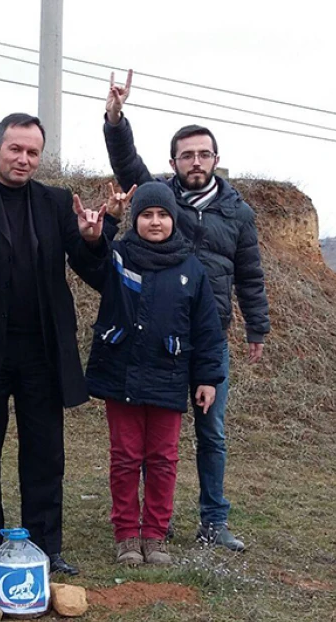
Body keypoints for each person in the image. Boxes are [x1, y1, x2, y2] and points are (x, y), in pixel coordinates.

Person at [103, 70, 270, 551]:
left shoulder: (238, 212)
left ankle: (213, 522)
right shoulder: (160, 198)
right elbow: (124, 159)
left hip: (210, 335)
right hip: (159, 340)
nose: (195, 162)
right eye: (186, 155)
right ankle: (156, 522)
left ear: (217, 159)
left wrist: (256, 327)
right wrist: (115, 117)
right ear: (172, 161)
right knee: (159, 442)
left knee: (211, 434)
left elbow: (250, 273)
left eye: (203, 154)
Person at [0, 113, 108, 577]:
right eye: (15, 149)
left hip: (42, 351)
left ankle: (47, 545)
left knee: (46, 451)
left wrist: (94, 239)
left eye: (33, 152)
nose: (23, 159)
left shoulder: (55, 204)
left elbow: (92, 267)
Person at [80, 182, 226, 565]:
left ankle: (156, 535)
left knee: (163, 460)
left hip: (170, 375)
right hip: (121, 374)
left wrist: (207, 378)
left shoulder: (190, 267)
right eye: (147, 214)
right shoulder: (118, 256)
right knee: (126, 458)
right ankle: (127, 535)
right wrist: (107, 222)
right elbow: (91, 261)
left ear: (173, 219)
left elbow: (207, 328)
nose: (155, 221)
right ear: (136, 218)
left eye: (162, 214)